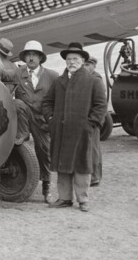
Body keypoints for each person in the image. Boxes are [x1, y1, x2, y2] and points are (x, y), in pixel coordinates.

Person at [42, 42, 106, 212]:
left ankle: (83, 200)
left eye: (75, 59)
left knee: (81, 165)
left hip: (82, 132)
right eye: (69, 59)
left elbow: (100, 106)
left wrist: (90, 124)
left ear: (83, 60)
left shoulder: (93, 81)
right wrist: (51, 119)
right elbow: (47, 102)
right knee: (62, 166)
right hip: (61, 131)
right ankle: (64, 198)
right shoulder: (59, 81)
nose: (71, 62)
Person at [0, 41, 58, 203]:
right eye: (28, 55)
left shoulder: (52, 76)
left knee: (45, 152)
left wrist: (53, 117)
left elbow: (59, 97)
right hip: (24, 116)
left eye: (34, 55)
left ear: (40, 58)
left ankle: (46, 187)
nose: (31, 58)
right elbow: (1, 74)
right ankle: (22, 134)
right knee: (17, 103)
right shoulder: (18, 72)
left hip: (43, 120)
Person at [84, 56, 106, 187]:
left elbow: (100, 103)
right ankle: (90, 175)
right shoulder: (86, 77)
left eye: (88, 64)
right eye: (85, 64)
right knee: (90, 148)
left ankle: (95, 176)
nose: (86, 67)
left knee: (93, 149)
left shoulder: (96, 79)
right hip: (88, 119)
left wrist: (94, 120)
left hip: (92, 120)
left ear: (93, 66)